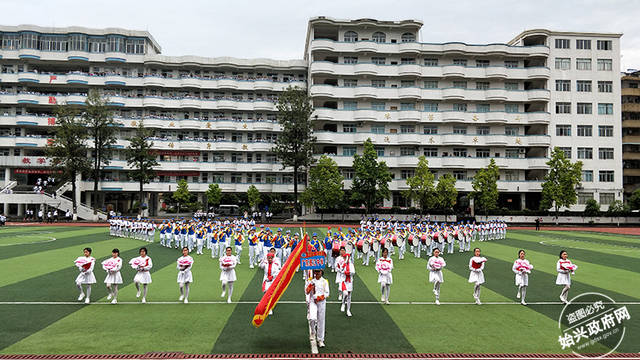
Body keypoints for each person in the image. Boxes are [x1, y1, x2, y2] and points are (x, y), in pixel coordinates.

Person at [306, 269, 329, 348]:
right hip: (313, 302)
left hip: (321, 302)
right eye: (315, 272)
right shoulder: (311, 281)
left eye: (318, 272)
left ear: (321, 272)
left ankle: (320, 339)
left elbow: (327, 293)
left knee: (321, 321)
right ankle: (313, 331)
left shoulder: (324, 281)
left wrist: (320, 297)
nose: (317, 273)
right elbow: (307, 292)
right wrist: (310, 286)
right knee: (312, 318)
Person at [335, 246, 355, 316]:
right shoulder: (342, 263)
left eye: (347, 258)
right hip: (343, 280)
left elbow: (353, 272)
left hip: (349, 281)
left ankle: (348, 310)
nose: (346, 259)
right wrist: (342, 271)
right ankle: (343, 303)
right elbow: (340, 269)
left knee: (349, 296)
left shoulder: (351, 264)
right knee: (345, 293)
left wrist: (347, 272)